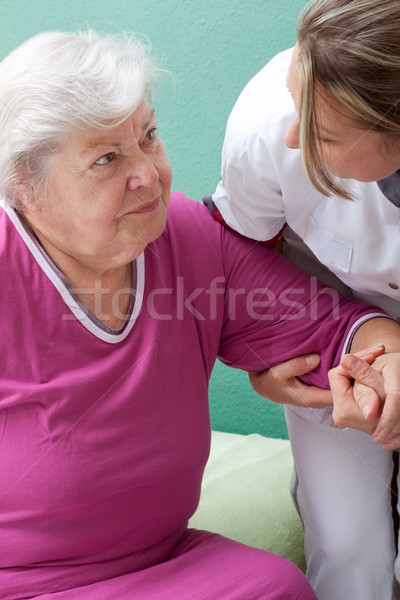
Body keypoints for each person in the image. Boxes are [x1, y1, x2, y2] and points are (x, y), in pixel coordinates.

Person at [2, 27, 400, 600]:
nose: (148, 173)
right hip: (19, 582)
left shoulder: (190, 238)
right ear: (26, 189)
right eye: (107, 159)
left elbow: (337, 328)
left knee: (277, 587)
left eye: (149, 137)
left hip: (162, 562)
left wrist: (383, 359)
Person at [207, 0, 400, 598]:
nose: (293, 136)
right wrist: (267, 367)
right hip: (331, 339)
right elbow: (243, 264)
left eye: (322, 134)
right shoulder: (269, 122)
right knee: (347, 548)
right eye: (298, 104)